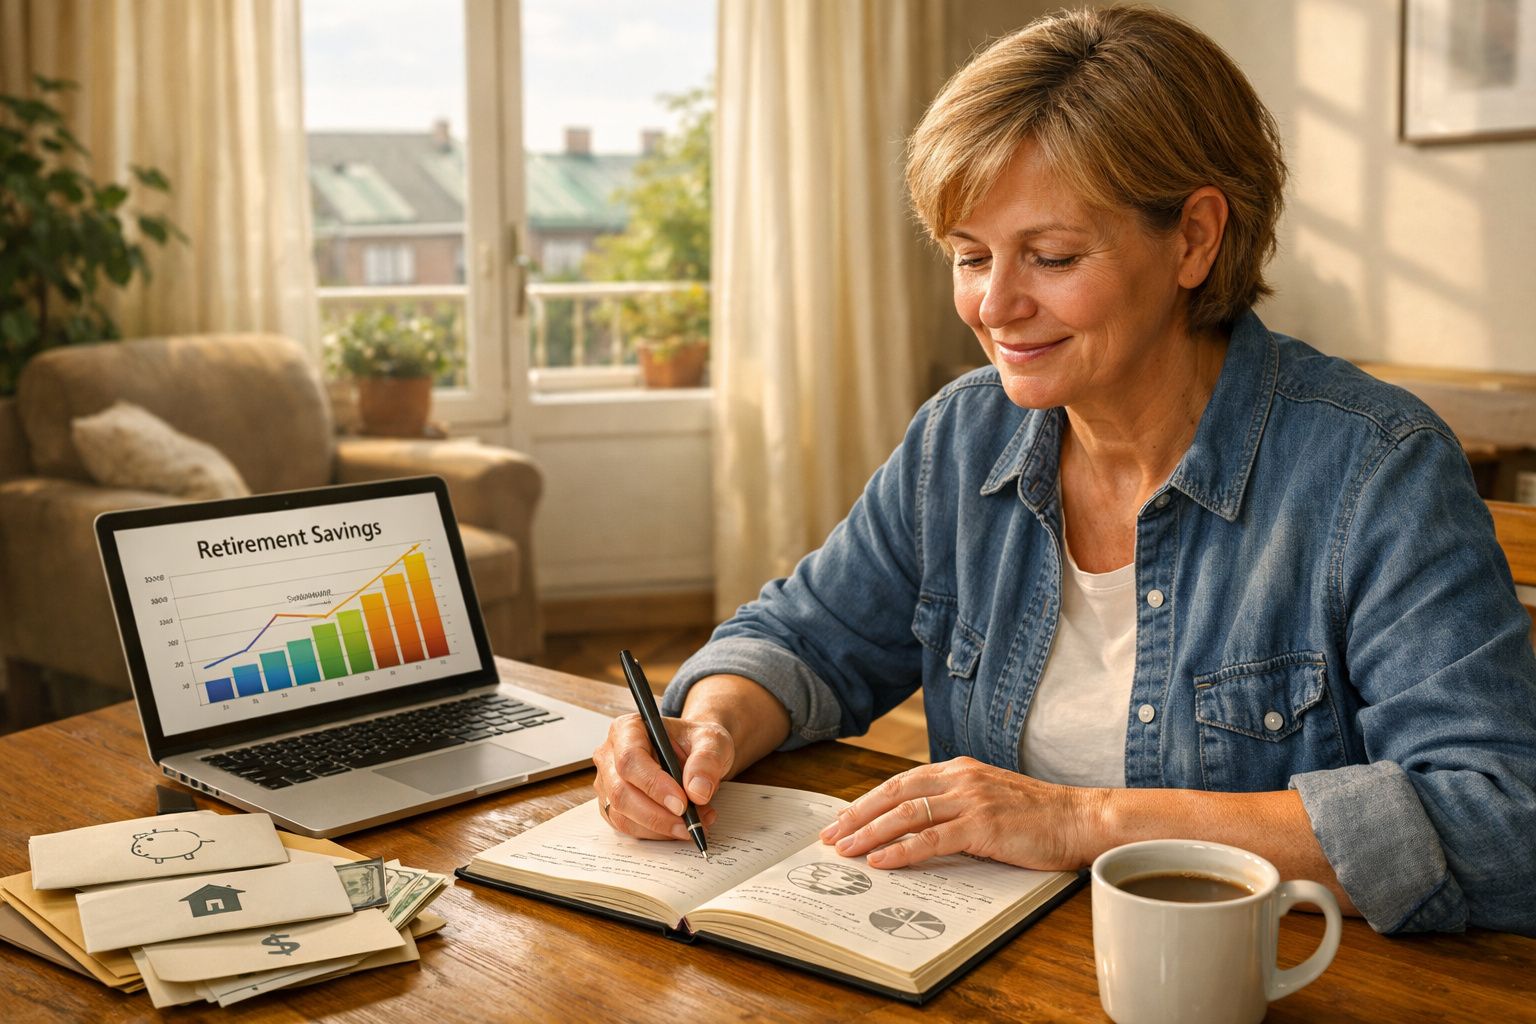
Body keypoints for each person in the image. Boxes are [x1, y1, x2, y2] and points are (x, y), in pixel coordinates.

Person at [592, 5, 1536, 936]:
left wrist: (1083, 821)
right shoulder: (961, 436)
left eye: (1050, 257)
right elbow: (803, 638)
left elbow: (1500, 818)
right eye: (970, 257)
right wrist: (708, 725)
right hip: (981, 965)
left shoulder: (1376, 470)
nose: (994, 305)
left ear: (1195, 238)